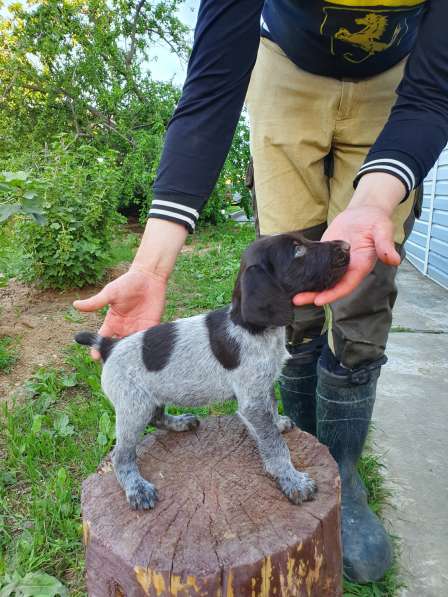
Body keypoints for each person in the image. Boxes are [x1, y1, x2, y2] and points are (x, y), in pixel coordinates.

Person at [74, 0, 448, 583]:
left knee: (365, 286)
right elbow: (211, 93)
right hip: (284, 71)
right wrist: (150, 268)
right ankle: (295, 438)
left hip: (396, 87)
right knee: (289, 304)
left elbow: (432, 95)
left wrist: (375, 200)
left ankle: (341, 476)